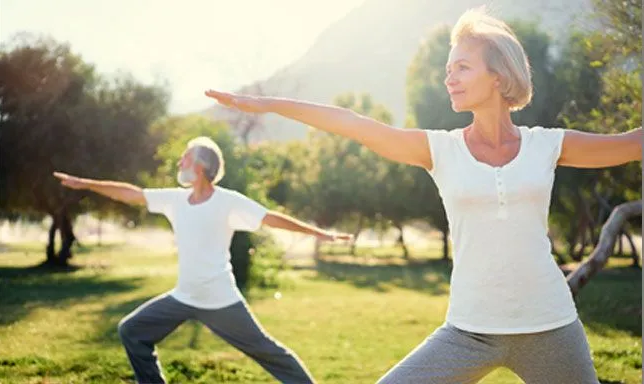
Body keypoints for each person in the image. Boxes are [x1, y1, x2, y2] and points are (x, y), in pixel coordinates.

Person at [203, 7, 642, 384]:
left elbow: (631, 143)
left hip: (550, 325)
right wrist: (270, 104)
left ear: (498, 75)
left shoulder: (548, 144)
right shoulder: (440, 150)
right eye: (447, 69)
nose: (449, 78)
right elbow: (354, 124)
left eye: (462, 68)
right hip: (469, 331)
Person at [53, 136, 352, 384]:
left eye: (185, 158)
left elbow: (270, 218)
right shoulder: (175, 199)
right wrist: (86, 183)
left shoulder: (227, 201)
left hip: (220, 300)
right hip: (183, 296)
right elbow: (131, 194)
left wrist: (320, 234)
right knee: (131, 331)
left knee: (270, 353)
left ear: (199, 166)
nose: (179, 162)